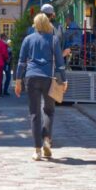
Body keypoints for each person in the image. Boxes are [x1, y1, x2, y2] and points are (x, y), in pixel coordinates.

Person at [15, 12, 67, 161]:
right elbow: (59, 63)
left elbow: (21, 62)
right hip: (48, 78)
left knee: (34, 113)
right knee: (49, 111)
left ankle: (37, 150)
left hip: (31, 77)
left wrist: (18, 80)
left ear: (35, 24)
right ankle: (46, 140)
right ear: (48, 24)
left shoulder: (28, 39)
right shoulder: (53, 40)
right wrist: (64, 80)